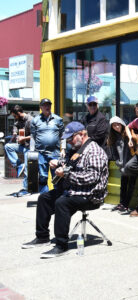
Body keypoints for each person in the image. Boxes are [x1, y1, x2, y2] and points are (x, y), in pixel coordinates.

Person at [21, 122, 109, 258]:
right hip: (74, 189)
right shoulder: (76, 149)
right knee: (44, 198)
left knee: (62, 203)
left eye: (70, 138)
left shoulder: (94, 151)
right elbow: (69, 163)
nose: (68, 142)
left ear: (82, 134)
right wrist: (59, 163)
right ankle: (42, 237)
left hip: (91, 194)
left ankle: (61, 245)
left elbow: (92, 177)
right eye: (67, 139)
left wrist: (66, 174)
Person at [30, 98, 64, 193]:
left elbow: (63, 136)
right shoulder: (35, 120)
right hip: (41, 154)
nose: (47, 107)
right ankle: (46, 199)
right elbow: (33, 136)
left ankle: (56, 198)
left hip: (55, 154)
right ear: (41, 107)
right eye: (44, 105)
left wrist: (63, 149)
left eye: (49, 105)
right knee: (43, 177)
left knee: (57, 177)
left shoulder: (58, 119)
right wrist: (32, 151)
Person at [107, 116, 137, 213]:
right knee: (123, 185)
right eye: (114, 125)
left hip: (132, 164)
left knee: (131, 185)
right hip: (122, 165)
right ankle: (122, 203)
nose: (116, 127)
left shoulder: (128, 134)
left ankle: (126, 204)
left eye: (117, 124)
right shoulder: (113, 137)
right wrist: (117, 161)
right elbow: (114, 152)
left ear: (122, 124)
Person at [5, 105, 33, 196]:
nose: (14, 117)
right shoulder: (18, 120)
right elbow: (15, 127)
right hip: (22, 145)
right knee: (8, 146)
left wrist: (24, 138)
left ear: (19, 113)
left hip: (30, 147)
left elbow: (35, 135)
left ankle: (26, 189)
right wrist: (14, 134)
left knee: (27, 168)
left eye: (14, 116)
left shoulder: (30, 120)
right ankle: (18, 165)